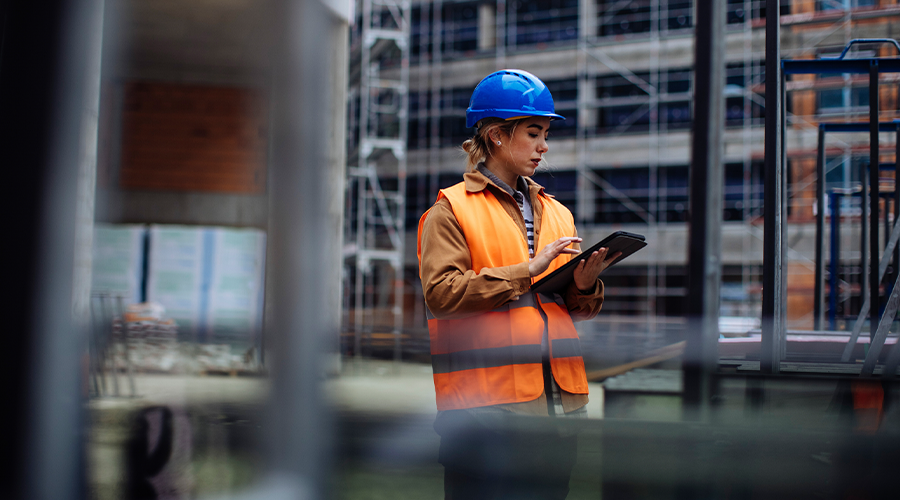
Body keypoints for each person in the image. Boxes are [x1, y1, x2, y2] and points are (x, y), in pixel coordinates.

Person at [416, 69, 620, 499]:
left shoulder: (558, 212)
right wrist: (527, 269)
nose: (544, 146)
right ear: (496, 136)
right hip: (482, 417)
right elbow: (442, 294)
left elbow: (569, 310)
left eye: (545, 132)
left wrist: (583, 286)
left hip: (556, 417)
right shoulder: (451, 210)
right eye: (533, 132)